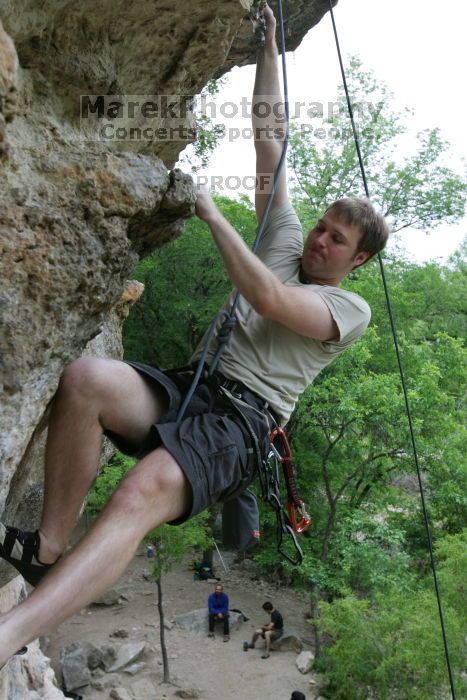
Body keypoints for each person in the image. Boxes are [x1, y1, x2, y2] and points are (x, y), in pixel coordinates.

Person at [0, 4, 388, 668]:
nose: (319, 239)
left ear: (356, 261)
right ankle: (45, 551)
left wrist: (211, 211)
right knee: (87, 380)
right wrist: (270, 48)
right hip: (196, 387)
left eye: (337, 239)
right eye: (322, 225)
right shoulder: (285, 240)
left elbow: (268, 298)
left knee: (139, 492)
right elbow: (272, 137)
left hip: (241, 425)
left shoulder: (346, 308)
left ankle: (7, 637)